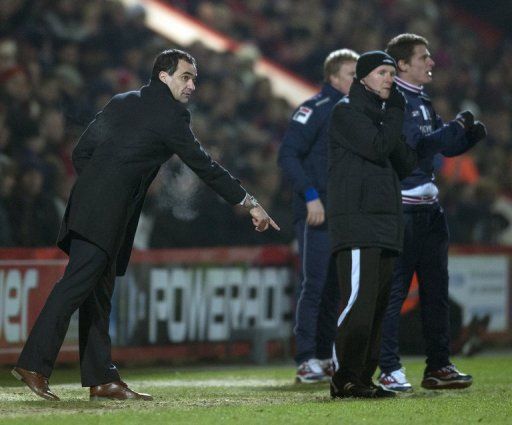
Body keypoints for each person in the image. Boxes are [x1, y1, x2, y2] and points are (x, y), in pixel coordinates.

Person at [11, 49, 279, 402]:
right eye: (186, 77)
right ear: (163, 76)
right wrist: (249, 203)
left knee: (98, 297)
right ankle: (33, 364)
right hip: (107, 213)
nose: (192, 86)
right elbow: (204, 165)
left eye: (194, 78)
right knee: (75, 286)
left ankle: (102, 378)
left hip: (90, 207)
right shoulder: (171, 116)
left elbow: (81, 153)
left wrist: (100, 187)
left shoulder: (122, 101)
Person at [377, 34, 486, 392]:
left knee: (436, 292)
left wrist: (466, 137)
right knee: (394, 293)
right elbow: (416, 147)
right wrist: (451, 131)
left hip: (429, 210)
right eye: (424, 57)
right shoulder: (393, 101)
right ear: (403, 65)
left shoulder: (421, 100)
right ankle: (389, 367)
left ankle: (439, 365)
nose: (431, 62)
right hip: (403, 209)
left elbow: (440, 145)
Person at [327, 51, 418, 399]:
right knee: (359, 304)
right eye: (382, 72)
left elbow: (406, 163)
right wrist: (394, 112)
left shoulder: (382, 117)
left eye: (392, 74)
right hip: (357, 223)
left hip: (384, 224)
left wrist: (395, 115)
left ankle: (363, 377)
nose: (390, 79)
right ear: (363, 78)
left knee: (378, 307)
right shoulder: (345, 113)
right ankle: (344, 377)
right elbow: (378, 149)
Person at [278, 49, 359, 383]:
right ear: (333, 77)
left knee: (333, 289)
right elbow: (288, 155)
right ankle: (306, 358)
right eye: (351, 74)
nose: (357, 79)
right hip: (317, 210)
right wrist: (311, 196)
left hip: (342, 211)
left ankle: (325, 355)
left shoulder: (356, 112)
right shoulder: (315, 108)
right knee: (313, 284)